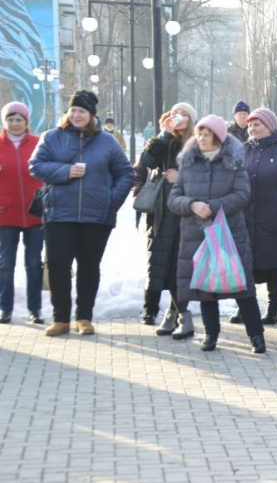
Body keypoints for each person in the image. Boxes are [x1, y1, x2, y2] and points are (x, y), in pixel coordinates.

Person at [29, 90, 133, 337]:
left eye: (82, 111)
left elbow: (126, 173)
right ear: (67, 112)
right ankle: (61, 319)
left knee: (88, 266)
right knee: (57, 265)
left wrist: (111, 200)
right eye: (73, 110)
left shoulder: (107, 142)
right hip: (59, 214)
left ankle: (84, 317)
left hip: (96, 216)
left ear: (91, 116)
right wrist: (65, 171)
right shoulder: (52, 137)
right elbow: (36, 166)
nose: (76, 115)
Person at [168, 115, 265, 353]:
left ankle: (256, 336)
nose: (201, 138)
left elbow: (242, 195)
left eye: (206, 134)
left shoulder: (233, 162)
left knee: (242, 287)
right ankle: (211, 335)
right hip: (197, 234)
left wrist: (212, 206)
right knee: (205, 288)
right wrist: (191, 205)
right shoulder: (188, 163)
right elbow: (174, 198)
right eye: (199, 133)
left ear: (218, 139)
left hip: (229, 234)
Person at [234, 107, 277, 326]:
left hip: (274, 218)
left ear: (270, 126)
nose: (252, 128)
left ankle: (272, 309)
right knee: (245, 266)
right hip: (245, 218)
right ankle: (245, 308)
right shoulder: (242, 150)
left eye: (258, 124)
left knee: (273, 267)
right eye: (251, 125)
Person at [138, 102, 198, 338]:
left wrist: (180, 177)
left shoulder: (198, 141)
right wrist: (164, 133)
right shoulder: (164, 141)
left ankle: (180, 314)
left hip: (187, 210)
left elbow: (208, 174)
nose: (179, 118)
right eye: (175, 114)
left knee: (179, 266)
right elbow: (147, 161)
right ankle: (169, 313)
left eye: (184, 114)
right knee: (160, 263)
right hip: (162, 212)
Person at [0, 102, 44, 325]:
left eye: (19, 120)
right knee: (5, 264)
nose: (15, 124)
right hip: (5, 214)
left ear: (26, 122)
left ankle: (35, 309)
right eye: (11, 119)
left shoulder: (38, 144)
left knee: (34, 264)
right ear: (4, 122)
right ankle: (4, 308)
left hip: (35, 213)